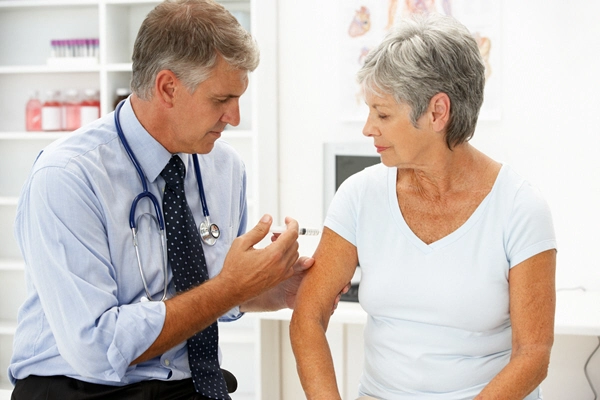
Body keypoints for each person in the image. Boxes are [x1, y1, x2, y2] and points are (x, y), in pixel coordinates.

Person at [9, 1, 314, 399]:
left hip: (186, 386)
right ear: (168, 87)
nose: (235, 117)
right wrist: (231, 287)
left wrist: (269, 289)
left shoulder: (224, 167)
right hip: (81, 386)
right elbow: (96, 348)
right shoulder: (68, 177)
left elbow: (203, 292)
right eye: (221, 100)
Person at [290, 13, 556, 400]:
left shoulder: (520, 208)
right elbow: (308, 318)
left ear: (437, 112)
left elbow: (533, 354)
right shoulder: (359, 195)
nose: (368, 128)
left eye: (382, 113)